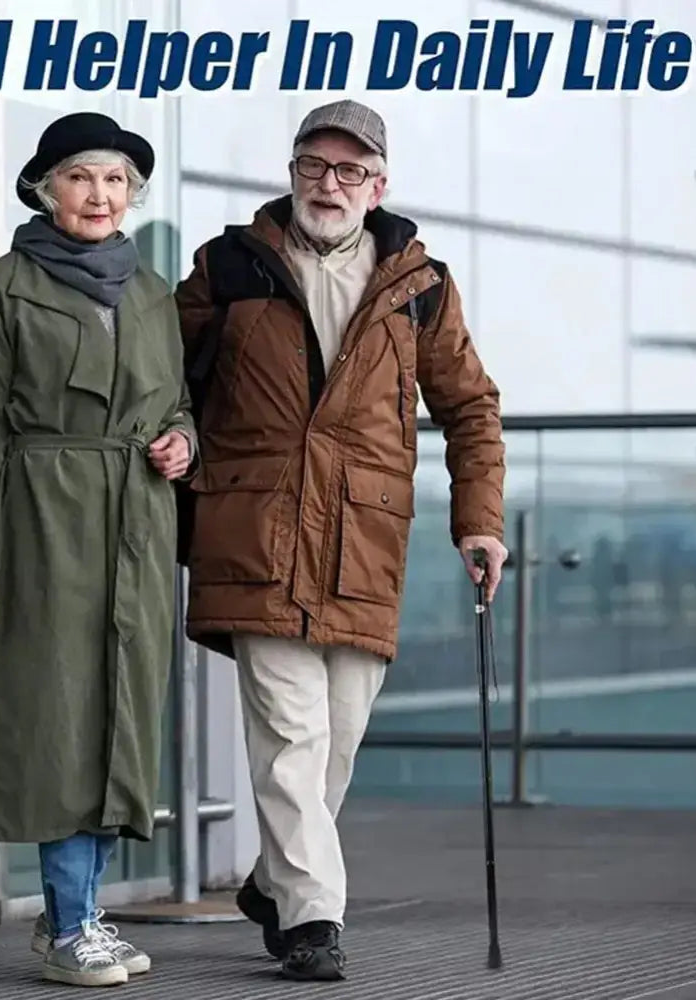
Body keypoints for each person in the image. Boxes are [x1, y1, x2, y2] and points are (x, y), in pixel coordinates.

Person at [174, 99, 508, 982]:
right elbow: (158, 379)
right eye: (314, 167)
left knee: (340, 738)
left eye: (350, 170)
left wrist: (478, 520)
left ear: (378, 184)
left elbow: (470, 408)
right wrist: (174, 444)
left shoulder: (420, 285)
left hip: (363, 540)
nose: (330, 184)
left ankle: (274, 883)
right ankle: (314, 920)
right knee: (291, 735)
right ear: (291, 174)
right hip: (257, 527)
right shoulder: (230, 267)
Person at [0, 111, 196, 988]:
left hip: (136, 518)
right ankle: (68, 921)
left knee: (119, 708)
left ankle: (80, 913)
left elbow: (177, 406)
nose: (100, 194)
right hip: (42, 517)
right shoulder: (4, 286)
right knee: (58, 715)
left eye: (116, 180)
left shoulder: (155, 292)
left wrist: (181, 445)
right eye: (82, 177)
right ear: (47, 189)